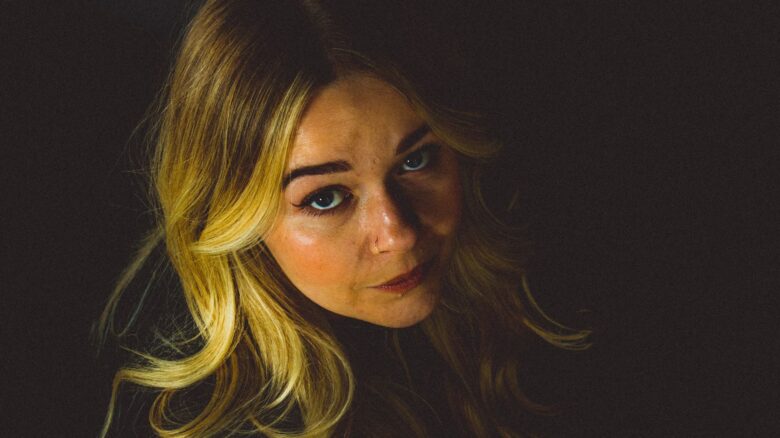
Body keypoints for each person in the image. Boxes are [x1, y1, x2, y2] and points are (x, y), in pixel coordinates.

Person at [97, 0, 589, 436]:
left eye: (415, 161)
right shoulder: (215, 422)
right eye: (326, 198)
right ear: (237, 220)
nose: (398, 233)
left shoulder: (549, 280)